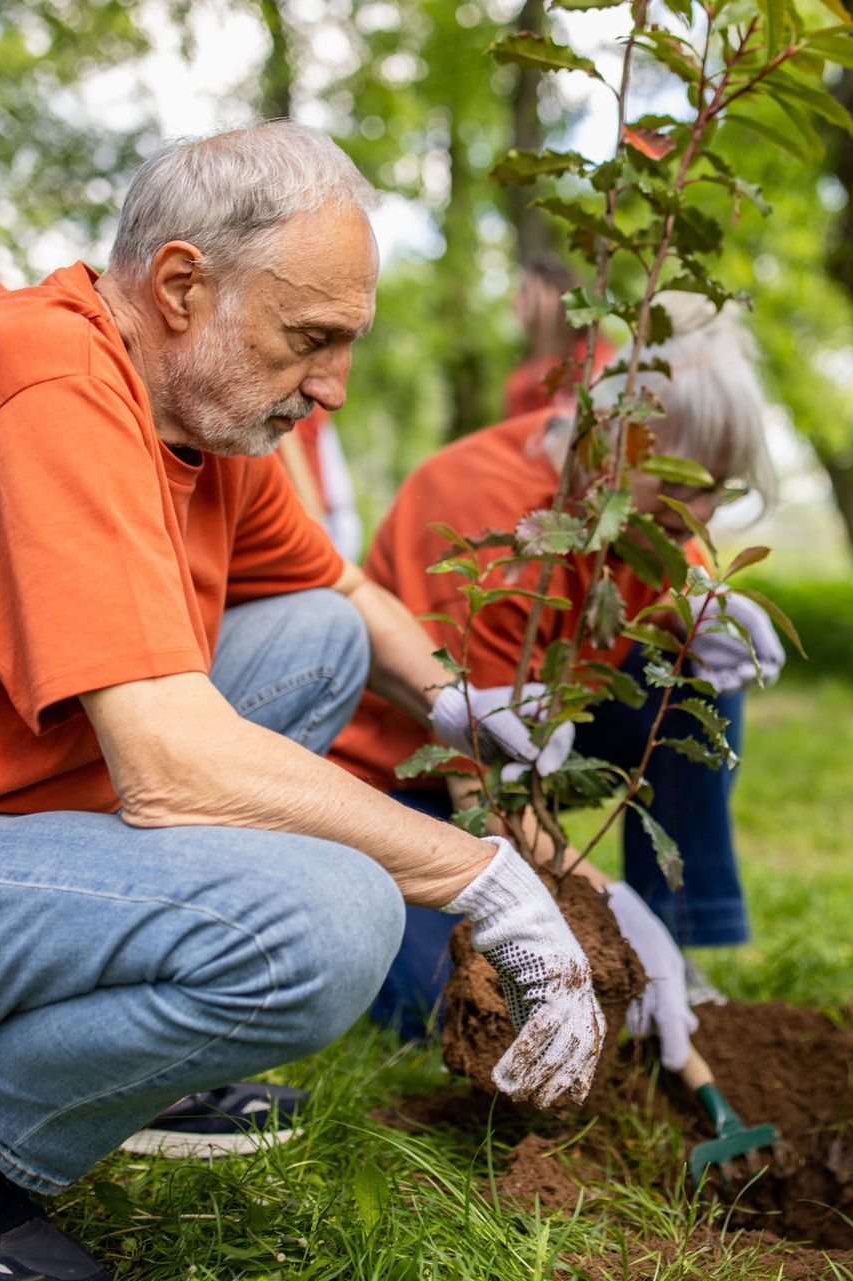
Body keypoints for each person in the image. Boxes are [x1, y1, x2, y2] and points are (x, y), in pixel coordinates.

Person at [0, 122, 609, 1281]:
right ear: (181, 286)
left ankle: (133, 1044)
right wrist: (485, 882)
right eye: (309, 340)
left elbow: (343, 590)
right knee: (333, 926)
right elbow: (172, 764)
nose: (332, 385)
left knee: (315, 641)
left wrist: (459, 700)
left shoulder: (201, 429)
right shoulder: (42, 383)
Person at [329, 292, 786, 1064]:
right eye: (673, 520)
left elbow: (667, 570)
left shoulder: (644, 513)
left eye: (711, 510)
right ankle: (633, 950)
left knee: (692, 675)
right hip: (402, 784)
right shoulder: (490, 531)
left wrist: (703, 610)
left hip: (545, 739)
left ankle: (678, 948)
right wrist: (608, 910)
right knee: (461, 1004)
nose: (688, 541)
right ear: (611, 456)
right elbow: (488, 802)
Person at [502, 252, 613, 419]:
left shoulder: (592, 355)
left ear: (554, 295)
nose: (515, 300)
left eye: (525, 290)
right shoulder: (522, 373)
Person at [278, 408, 364, 563]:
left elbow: (331, 460)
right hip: (305, 524)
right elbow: (293, 456)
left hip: (330, 521)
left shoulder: (318, 405)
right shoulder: (286, 401)